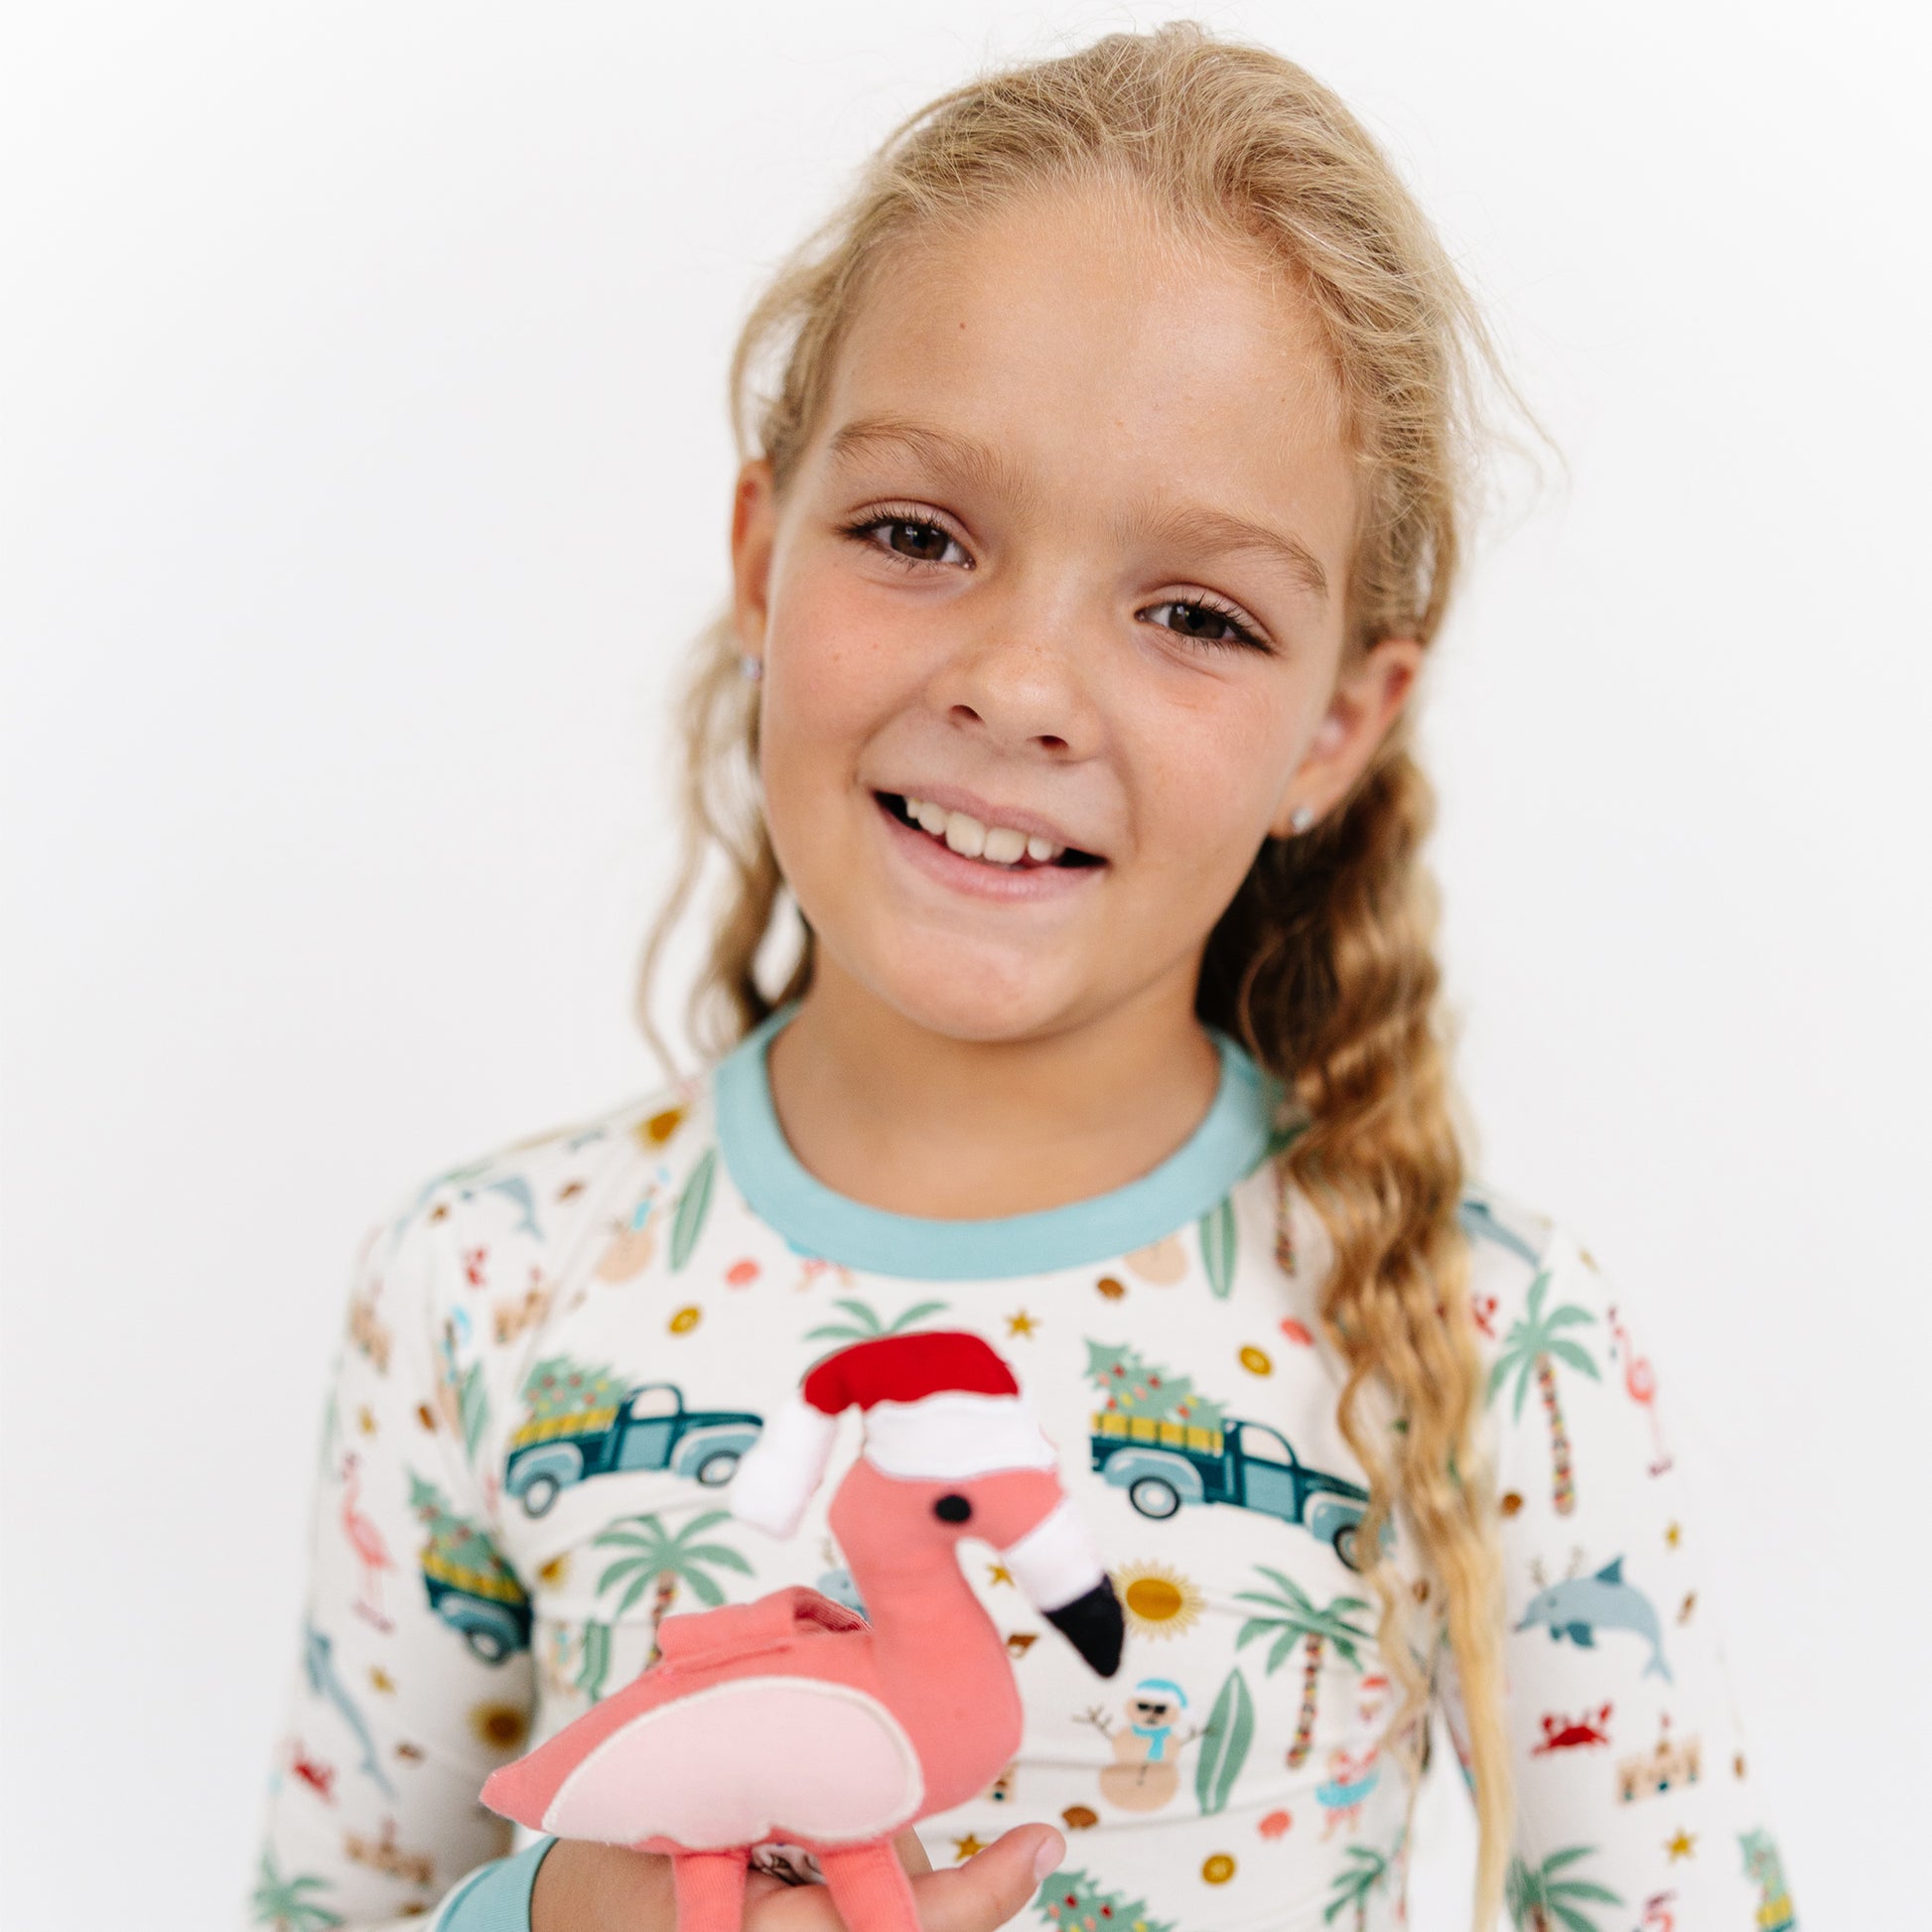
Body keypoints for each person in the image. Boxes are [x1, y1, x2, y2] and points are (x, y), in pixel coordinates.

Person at [249, 24, 1795, 1932]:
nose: (1022, 684)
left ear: (1339, 724)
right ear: (760, 558)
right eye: (916, 533)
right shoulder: (481, 1286)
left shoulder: (1489, 1339)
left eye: (1194, 614)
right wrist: (565, 1914)